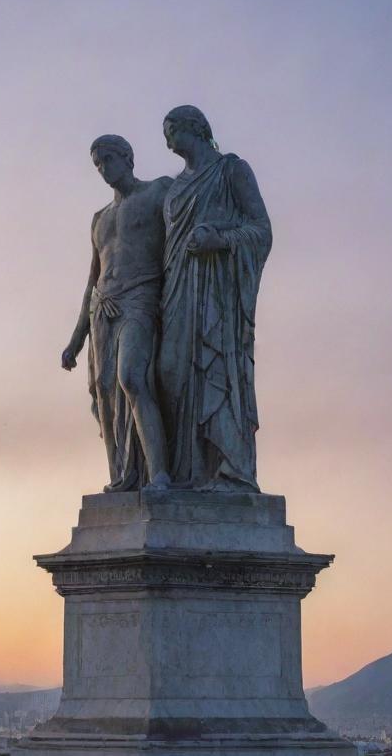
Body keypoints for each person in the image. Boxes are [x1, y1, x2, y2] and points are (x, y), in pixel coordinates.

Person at [158, 105, 272, 491]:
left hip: (216, 293)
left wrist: (220, 241)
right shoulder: (174, 187)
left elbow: (261, 229)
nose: (167, 139)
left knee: (215, 372)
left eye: (171, 129)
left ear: (195, 128)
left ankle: (228, 471)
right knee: (171, 372)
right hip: (176, 291)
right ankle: (186, 472)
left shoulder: (231, 170)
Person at [62, 134, 173, 492]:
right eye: (97, 164)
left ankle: (159, 474)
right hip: (103, 308)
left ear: (128, 158)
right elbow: (91, 280)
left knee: (132, 378)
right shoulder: (100, 218)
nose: (103, 169)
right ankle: (124, 477)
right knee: (107, 394)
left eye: (108, 160)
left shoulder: (158, 192)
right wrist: (76, 339)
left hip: (140, 296)